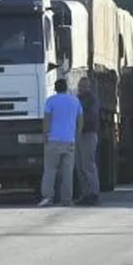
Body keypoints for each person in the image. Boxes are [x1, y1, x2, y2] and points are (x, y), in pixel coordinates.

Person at [38, 79, 83, 207]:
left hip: (53, 140)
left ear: (55, 88)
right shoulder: (75, 101)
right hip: (69, 141)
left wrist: (45, 134)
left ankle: (48, 197)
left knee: (50, 170)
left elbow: (47, 119)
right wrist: (76, 136)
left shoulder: (51, 101)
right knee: (67, 172)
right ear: (66, 88)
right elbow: (80, 121)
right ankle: (67, 199)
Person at [74, 77, 101, 206]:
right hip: (79, 134)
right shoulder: (78, 99)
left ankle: (94, 193)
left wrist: (79, 118)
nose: (80, 88)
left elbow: (91, 116)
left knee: (88, 165)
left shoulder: (91, 99)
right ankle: (85, 193)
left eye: (83, 86)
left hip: (88, 134)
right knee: (80, 166)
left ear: (87, 86)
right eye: (80, 86)